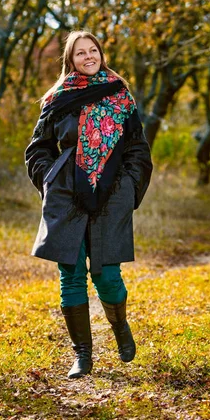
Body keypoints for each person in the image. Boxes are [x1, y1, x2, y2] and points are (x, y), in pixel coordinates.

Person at [25, 30, 153, 379]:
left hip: (111, 195)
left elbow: (138, 149)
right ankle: (82, 355)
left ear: (101, 54)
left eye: (92, 50)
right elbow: (37, 149)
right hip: (67, 197)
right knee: (71, 275)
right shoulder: (57, 99)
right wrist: (52, 180)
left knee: (106, 274)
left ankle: (120, 327)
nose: (87, 56)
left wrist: (128, 187)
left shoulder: (120, 96)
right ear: (71, 61)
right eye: (79, 53)